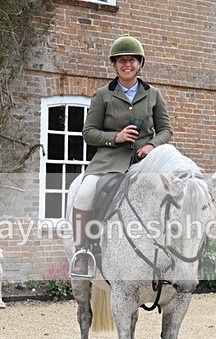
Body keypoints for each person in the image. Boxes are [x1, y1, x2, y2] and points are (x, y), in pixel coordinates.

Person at [70, 35, 173, 277]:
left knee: (172, 195)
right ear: (114, 65)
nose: (127, 65)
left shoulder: (154, 94)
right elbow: (88, 133)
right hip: (108, 161)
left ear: (140, 64)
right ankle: (82, 253)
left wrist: (152, 146)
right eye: (122, 61)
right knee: (83, 195)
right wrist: (115, 137)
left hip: (144, 161)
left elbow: (166, 129)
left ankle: (171, 253)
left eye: (132, 61)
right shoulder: (103, 95)